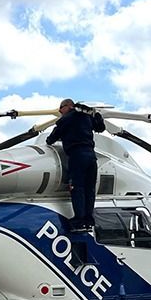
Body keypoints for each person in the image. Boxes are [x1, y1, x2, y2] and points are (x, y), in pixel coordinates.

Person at [45, 98, 103, 233]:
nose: (60, 111)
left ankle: (79, 221)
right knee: (90, 190)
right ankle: (89, 221)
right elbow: (100, 127)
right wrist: (97, 116)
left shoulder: (68, 118)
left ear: (69, 106)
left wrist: (51, 139)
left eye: (61, 107)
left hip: (77, 156)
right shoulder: (87, 118)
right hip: (91, 157)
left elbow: (52, 137)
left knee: (77, 188)